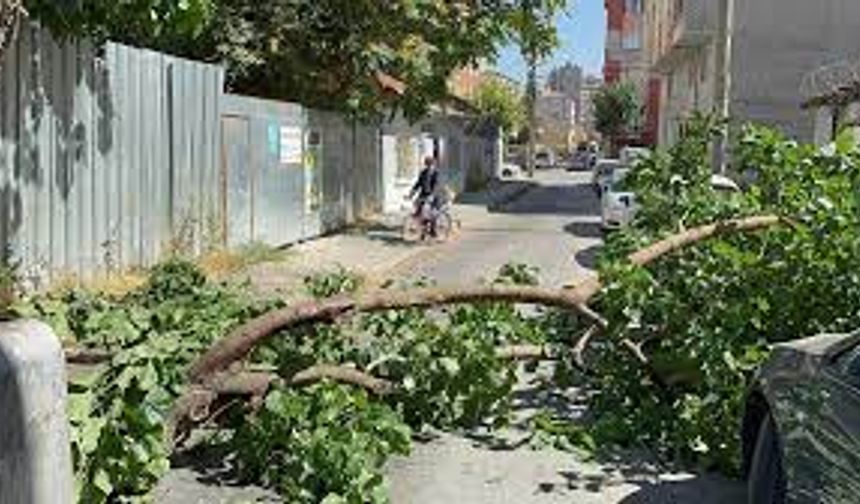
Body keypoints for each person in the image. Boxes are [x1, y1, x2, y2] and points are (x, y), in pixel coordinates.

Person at [408, 156, 441, 236]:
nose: (429, 166)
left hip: (433, 195)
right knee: (420, 211)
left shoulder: (436, 173)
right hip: (423, 194)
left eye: (430, 164)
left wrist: (432, 195)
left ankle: (433, 230)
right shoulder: (423, 173)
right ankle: (423, 230)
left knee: (432, 212)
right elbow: (418, 184)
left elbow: (436, 185)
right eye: (427, 164)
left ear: (433, 164)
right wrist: (411, 193)